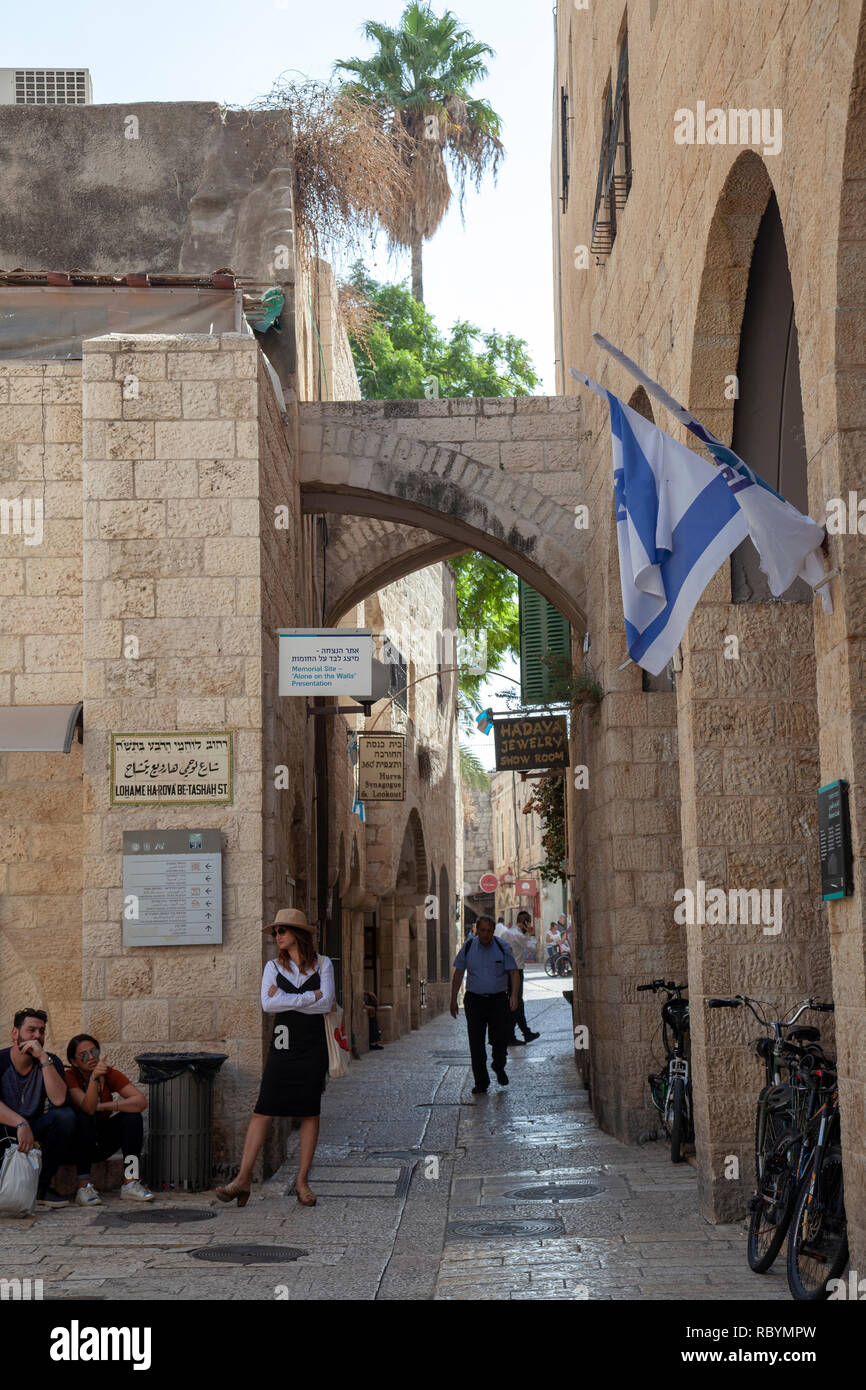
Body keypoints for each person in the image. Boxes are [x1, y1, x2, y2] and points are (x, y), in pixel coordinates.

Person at [215, 908, 334, 1209]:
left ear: (298, 934)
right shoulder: (272, 966)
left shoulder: (323, 964)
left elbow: (327, 1003)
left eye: (282, 931)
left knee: (309, 1112)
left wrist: (290, 1000)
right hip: (282, 1046)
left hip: (312, 1047)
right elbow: (268, 1004)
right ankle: (242, 1180)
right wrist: (310, 997)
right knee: (263, 1109)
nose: (277, 936)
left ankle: (302, 1182)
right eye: (275, 932)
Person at [0, 1007, 76, 1208]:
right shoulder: (1, 1061)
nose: (37, 1036)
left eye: (41, 1031)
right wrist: (20, 1123)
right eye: (31, 1030)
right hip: (5, 1127)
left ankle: (43, 1187)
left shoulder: (50, 1061)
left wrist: (43, 1059)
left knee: (65, 1116)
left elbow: (59, 1099)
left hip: (34, 1128)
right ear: (15, 1033)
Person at [64, 1034, 153, 1204]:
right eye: (84, 1055)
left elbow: (140, 1102)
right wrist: (93, 1078)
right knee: (84, 1117)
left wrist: (105, 1107)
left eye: (94, 1052)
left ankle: (130, 1181)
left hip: (100, 1140)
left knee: (133, 1118)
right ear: (74, 1062)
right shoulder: (70, 1077)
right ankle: (84, 1187)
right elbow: (88, 1108)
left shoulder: (109, 1073)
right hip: (77, 1145)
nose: (91, 1058)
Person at [449, 915, 519, 1094]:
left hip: (498, 1000)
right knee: (476, 1043)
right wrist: (453, 999)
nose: (486, 934)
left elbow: (513, 973)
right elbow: (458, 973)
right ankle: (481, 1082)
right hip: (475, 1001)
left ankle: (498, 1065)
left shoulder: (502, 947)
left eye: (489, 930)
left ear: (493, 931)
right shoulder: (469, 947)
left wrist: (514, 996)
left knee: (500, 1039)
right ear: (476, 931)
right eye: (482, 930)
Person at [501, 911, 541, 1046]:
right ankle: (519, 1034)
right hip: (516, 972)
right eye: (528, 923)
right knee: (516, 1003)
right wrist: (533, 935)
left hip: (505, 971)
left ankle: (520, 1033)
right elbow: (534, 949)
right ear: (525, 923)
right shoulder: (518, 935)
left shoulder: (506, 933)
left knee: (514, 1003)